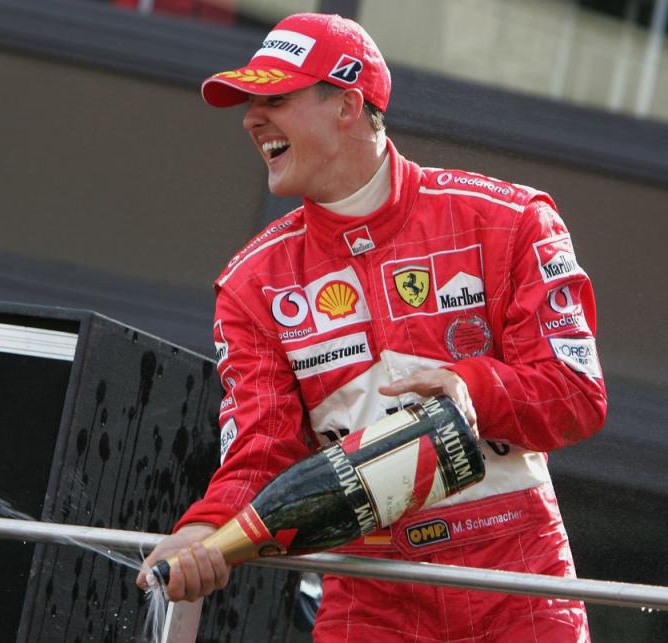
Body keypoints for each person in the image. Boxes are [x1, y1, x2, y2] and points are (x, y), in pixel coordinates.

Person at [137, 12, 606, 642]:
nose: (251, 118)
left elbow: (577, 395)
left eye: (275, 98)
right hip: (370, 592)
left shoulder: (510, 220)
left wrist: (473, 390)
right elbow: (261, 447)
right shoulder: (253, 283)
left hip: (516, 577)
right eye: (249, 102)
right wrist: (205, 527)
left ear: (348, 105)